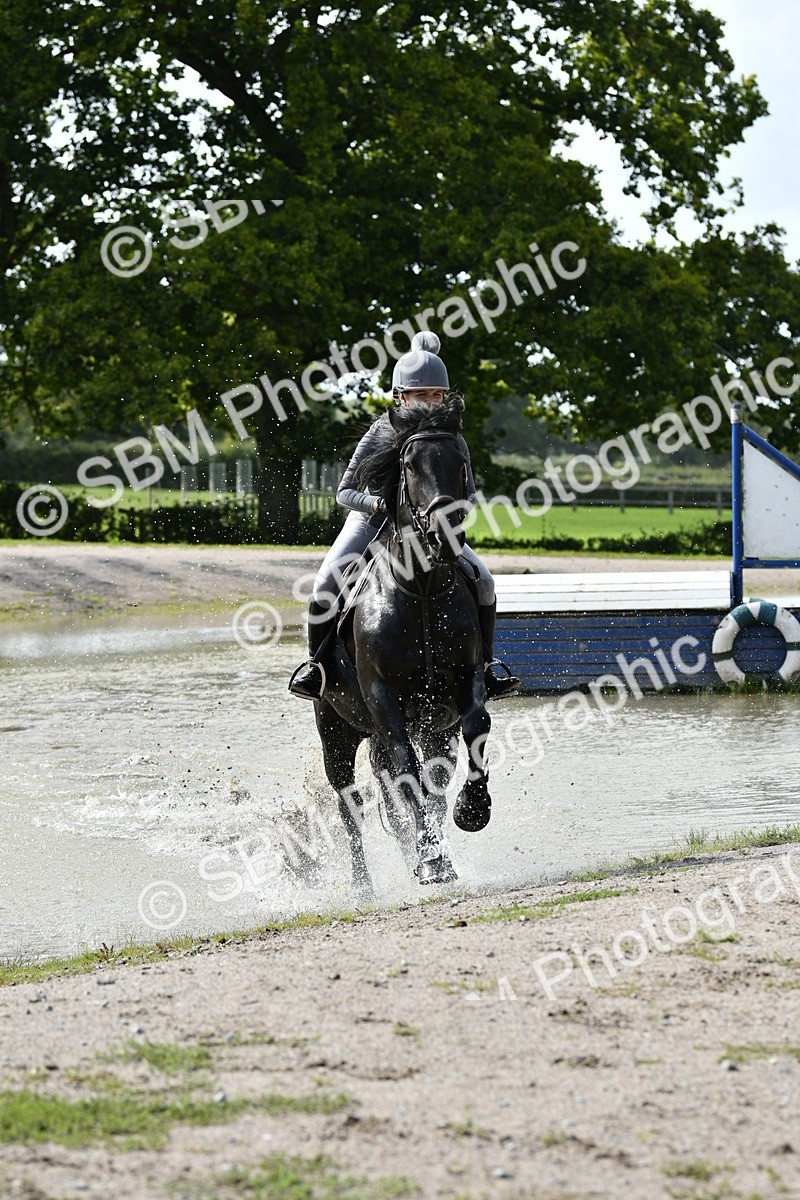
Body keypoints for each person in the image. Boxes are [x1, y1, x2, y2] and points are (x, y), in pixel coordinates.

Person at [288, 331, 519, 700]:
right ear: (401, 396)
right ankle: (316, 668)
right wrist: (382, 506)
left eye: (437, 395)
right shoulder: (381, 431)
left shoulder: (451, 436)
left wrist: (450, 516)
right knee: (324, 585)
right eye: (422, 395)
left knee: (485, 582)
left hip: (431, 528)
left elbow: (469, 492)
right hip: (371, 521)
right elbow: (344, 492)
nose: (431, 402)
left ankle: (488, 666)